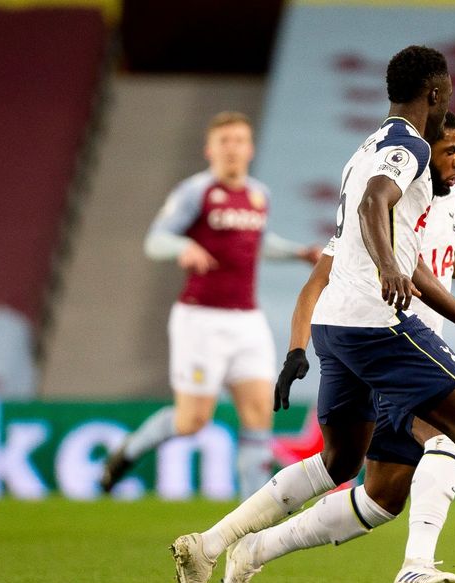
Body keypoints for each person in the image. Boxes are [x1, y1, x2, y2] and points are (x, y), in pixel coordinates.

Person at [169, 46, 455, 583]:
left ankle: (210, 547)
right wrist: (386, 267)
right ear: (434, 95)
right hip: (375, 320)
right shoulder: (407, 145)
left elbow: (418, 254)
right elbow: (374, 206)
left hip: (339, 322)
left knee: (343, 464)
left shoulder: (371, 144)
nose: (451, 102)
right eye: (448, 93)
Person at [100, 112, 321, 500]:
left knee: (258, 415)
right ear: (210, 149)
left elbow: (257, 242)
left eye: (239, 141)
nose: (232, 149)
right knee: (192, 421)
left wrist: (297, 252)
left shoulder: (258, 195)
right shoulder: (195, 192)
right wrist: (184, 245)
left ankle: (252, 517)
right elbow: (155, 240)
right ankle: (127, 452)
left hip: (246, 320)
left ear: (250, 149)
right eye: (225, 141)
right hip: (200, 319)